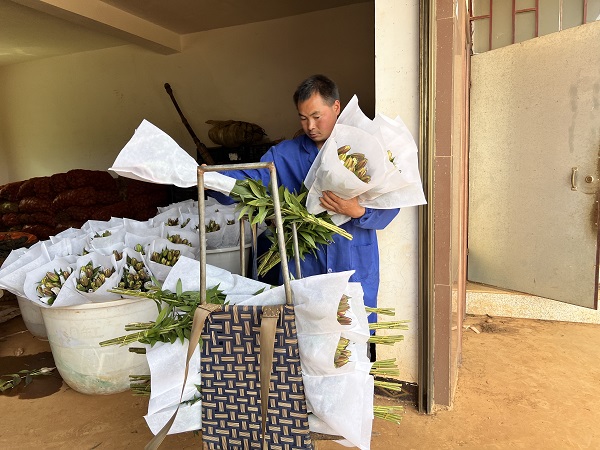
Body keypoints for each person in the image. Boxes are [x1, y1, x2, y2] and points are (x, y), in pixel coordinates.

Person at [209, 75, 399, 343]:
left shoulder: (365, 150)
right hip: (306, 262)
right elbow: (250, 180)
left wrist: (357, 210)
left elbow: (391, 205)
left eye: (316, 116)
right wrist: (211, 179)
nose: (310, 126)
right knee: (305, 338)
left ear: (336, 107)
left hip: (353, 258)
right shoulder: (284, 155)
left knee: (352, 339)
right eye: (303, 118)